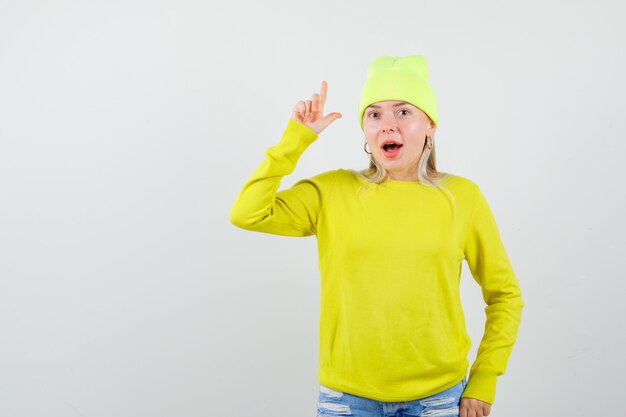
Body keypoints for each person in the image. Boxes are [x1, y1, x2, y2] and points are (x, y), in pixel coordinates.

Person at [229, 54, 524, 417]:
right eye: (375, 114)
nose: (388, 125)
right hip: (346, 401)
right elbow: (248, 212)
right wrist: (296, 139)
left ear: (430, 124)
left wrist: (484, 379)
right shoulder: (332, 191)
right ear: (365, 130)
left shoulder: (462, 197)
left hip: (437, 399)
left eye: (403, 112)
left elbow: (505, 296)